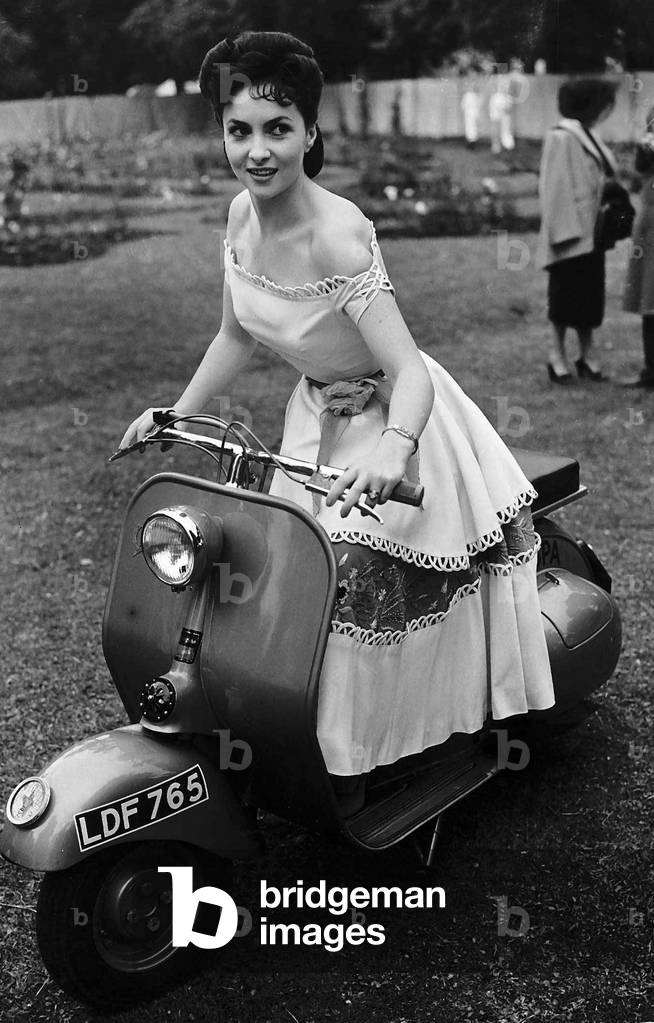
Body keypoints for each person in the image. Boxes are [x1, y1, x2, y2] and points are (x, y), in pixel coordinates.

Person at [119, 31, 554, 784]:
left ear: (311, 132)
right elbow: (234, 335)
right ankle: (302, 741)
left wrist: (393, 449)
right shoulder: (239, 217)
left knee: (350, 586)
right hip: (316, 422)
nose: (257, 151)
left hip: (398, 427)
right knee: (287, 584)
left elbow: (409, 371)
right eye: (239, 130)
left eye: (278, 129)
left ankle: (374, 756)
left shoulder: (338, 236)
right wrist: (174, 413)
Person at [536, 78, 618, 383]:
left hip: (591, 233)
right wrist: (564, 236)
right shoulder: (562, 136)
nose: (607, 111)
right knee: (563, 300)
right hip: (569, 235)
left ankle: (587, 355)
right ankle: (556, 355)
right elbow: (555, 188)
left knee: (588, 298)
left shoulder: (585, 134)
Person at [621, 105, 654, 388]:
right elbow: (638, 175)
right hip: (650, 227)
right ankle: (650, 369)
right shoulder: (648, 145)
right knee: (649, 295)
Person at [460, 82, 482, 149]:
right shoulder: (477, 96)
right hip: (474, 113)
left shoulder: (468, 95)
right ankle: (473, 141)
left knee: (470, 127)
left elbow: (463, 105)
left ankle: (471, 142)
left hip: (469, 114)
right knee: (473, 127)